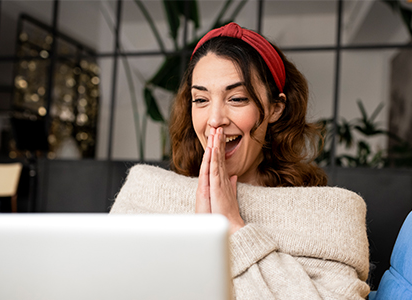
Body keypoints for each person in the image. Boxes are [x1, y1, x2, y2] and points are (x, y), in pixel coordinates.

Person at [111, 22, 370, 299]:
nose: (214, 120)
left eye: (236, 98)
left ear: (275, 109)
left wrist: (234, 229)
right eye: (200, 100)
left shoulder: (328, 217)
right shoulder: (147, 195)